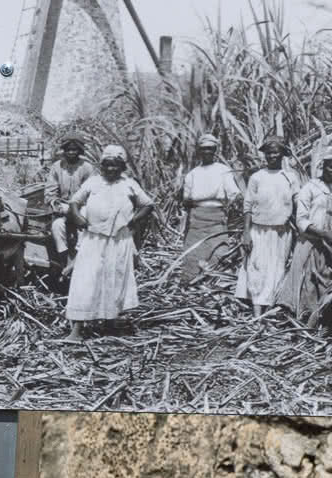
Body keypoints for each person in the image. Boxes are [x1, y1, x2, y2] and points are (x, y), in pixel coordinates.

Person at [65, 145, 154, 337]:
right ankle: (77, 329)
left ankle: (110, 323)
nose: (111, 169)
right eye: (107, 165)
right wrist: (77, 217)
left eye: (116, 165)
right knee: (85, 280)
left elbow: (148, 204)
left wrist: (132, 221)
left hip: (117, 241)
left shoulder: (129, 184)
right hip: (93, 239)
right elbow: (74, 201)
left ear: (122, 166)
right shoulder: (93, 182)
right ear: (102, 166)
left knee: (113, 280)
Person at [290, 138, 332, 327]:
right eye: (330, 166)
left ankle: (331, 321)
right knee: (310, 283)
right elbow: (301, 219)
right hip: (313, 242)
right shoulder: (309, 188)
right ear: (322, 166)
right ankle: (308, 322)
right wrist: (322, 234)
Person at [239, 138, 299, 320]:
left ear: (282, 154)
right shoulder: (257, 177)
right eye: (269, 152)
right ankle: (257, 314)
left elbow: (298, 204)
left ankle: (271, 314)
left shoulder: (290, 177)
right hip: (259, 230)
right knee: (258, 269)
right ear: (264, 155)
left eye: (276, 152)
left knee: (278, 270)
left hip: (282, 232)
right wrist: (246, 233)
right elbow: (248, 206)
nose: (272, 155)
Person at [176, 134, 241, 282]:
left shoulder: (223, 170)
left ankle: (216, 282)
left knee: (218, 251)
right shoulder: (193, 174)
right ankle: (191, 283)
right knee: (193, 253)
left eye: (210, 149)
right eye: (204, 149)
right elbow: (186, 199)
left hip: (217, 218)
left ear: (215, 150)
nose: (207, 152)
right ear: (199, 151)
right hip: (197, 219)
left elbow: (233, 194)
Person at [43, 137, 96, 279]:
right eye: (68, 150)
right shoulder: (57, 167)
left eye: (74, 150)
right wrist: (55, 203)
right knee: (56, 226)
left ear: (79, 151)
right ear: (64, 151)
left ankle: (77, 258)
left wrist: (76, 207)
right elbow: (50, 190)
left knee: (83, 226)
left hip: (82, 208)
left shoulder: (87, 168)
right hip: (63, 208)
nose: (71, 152)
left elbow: (91, 192)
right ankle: (65, 260)